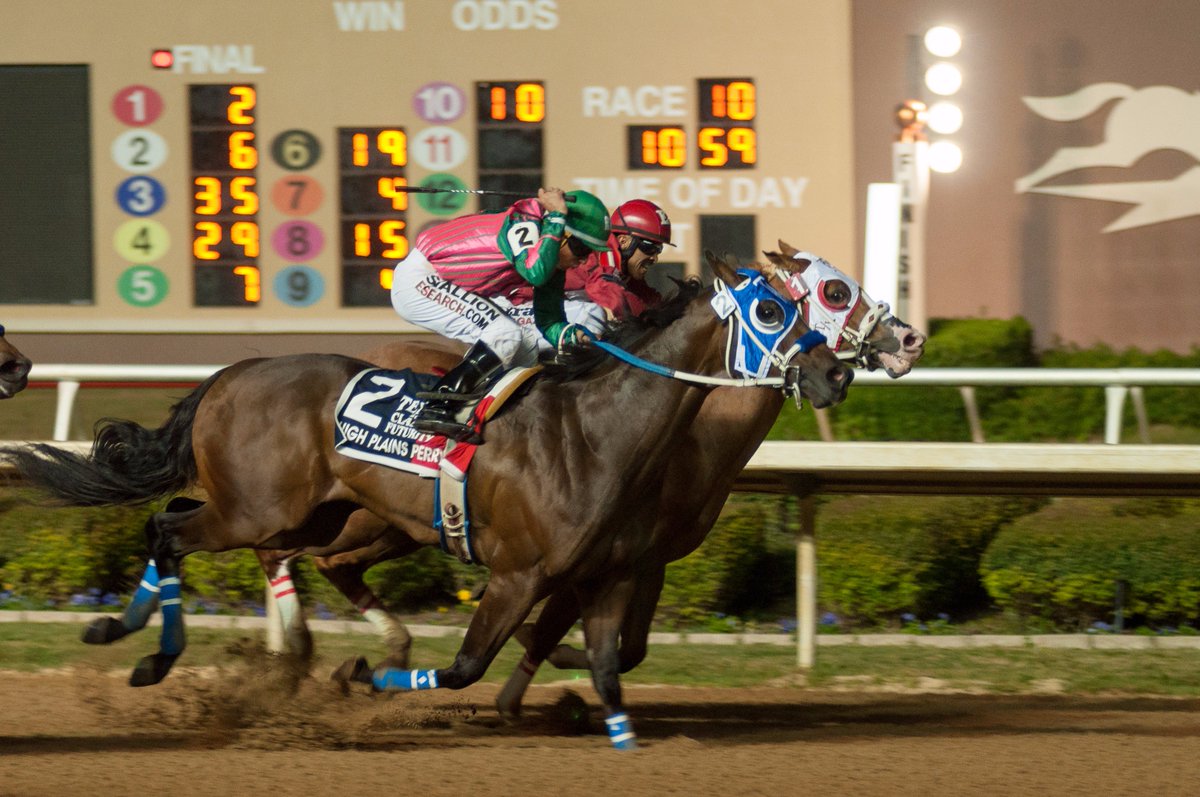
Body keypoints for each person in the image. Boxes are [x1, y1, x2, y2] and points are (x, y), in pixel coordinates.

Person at [390, 187, 613, 441]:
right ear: (563, 235)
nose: (583, 262)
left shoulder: (550, 251)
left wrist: (573, 335)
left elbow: (549, 320)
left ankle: (494, 423)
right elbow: (535, 272)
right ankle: (437, 407)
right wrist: (556, 218)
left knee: (526, 348)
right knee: (505, 334)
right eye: (582, 251)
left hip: (446, 283)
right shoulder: (524, 225)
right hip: (421, 280)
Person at [507, 198, 673, 321]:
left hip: (548, 311)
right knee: (592, 316)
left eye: (659, 249)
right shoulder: (606, 252)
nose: (654, 258)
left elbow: (646, 298)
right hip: (521, 308)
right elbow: (604, 291)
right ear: (624, 241)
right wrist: (650, 317)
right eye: (650, 248)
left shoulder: (624, 265)